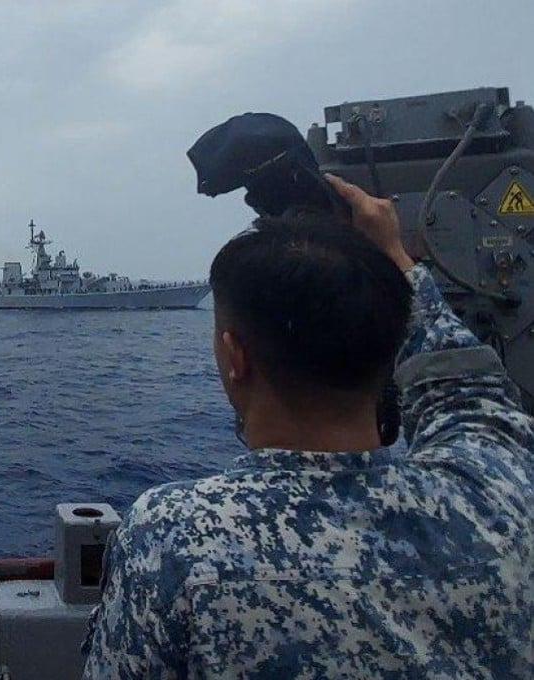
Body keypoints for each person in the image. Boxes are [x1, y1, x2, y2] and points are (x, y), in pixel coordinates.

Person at [83, 176, 534, 678]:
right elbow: (473, 397)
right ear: (389, 350)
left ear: (235, 357)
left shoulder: (170, 538)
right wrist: (396, 260)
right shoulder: (498, 495)